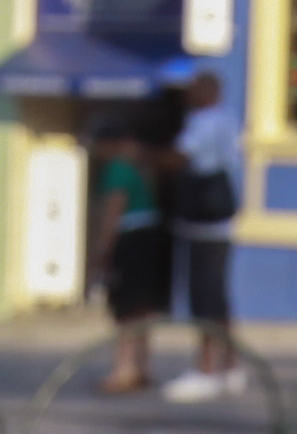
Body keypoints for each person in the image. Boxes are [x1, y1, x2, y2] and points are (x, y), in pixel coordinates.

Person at [157, 64, 244, 404]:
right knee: (218, 298)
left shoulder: (204, 122)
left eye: (192, 90)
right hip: (218, 222)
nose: (187, 97)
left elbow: (180, 157)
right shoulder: (227, 119)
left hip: (204, 221)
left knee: (204, 298)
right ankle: (231, 366)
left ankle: (206, 369)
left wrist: (144, 157)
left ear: (207, 92)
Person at [90, 96, 178, 396]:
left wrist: (102, 249)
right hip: (151, 236)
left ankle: (123, 370)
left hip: (131, 239)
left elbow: (113, 210)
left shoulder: (116, 170)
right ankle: (142, 366)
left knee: (125, 310)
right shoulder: (141, 167)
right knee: (142, 310)